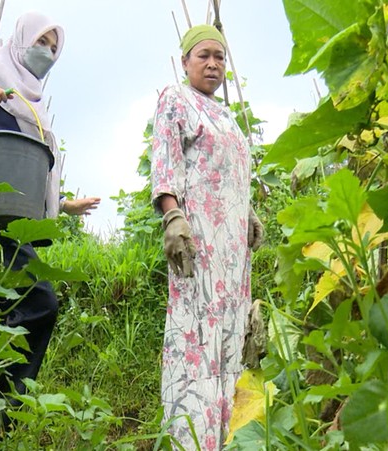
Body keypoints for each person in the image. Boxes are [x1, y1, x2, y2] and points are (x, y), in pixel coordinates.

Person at [0, 11, 100, 433]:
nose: (46, 51)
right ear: (21, 38)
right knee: (38, 304)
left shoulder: (34, 102)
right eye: (41, 41)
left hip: (15, 218)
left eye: (54, 46)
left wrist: (63, 205)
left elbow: (24, 170)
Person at [150, 24, 264, 450]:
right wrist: (172, 216)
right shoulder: (176, 100)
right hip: (197, 245)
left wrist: (248, 212)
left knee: (232, 336)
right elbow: (166, 159)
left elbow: (230, 173)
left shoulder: (230, 119)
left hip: (233, 251)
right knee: (196, 336)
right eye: (204, 56)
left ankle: (228, 437)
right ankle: (190, 440)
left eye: (220, 57)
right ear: (186, 62)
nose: (214, 64)